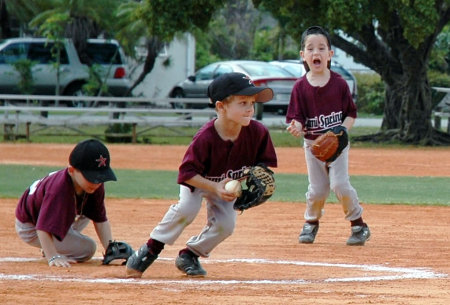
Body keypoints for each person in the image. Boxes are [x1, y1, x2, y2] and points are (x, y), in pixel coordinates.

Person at [126, 72, 278, 278]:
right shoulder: (205, 138)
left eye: (252, 102)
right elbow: (186, 174)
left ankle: (190, 254)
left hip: (227, 186)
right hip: (198, 181)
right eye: (242, 102)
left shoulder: (258, 132)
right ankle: (151, 249)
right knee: (187, 208)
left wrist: (248, 183)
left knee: (227, 226)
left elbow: (264, 166)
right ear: (220, 107)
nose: (250, 108)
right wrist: (214, 187)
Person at [286, 26, 370, 246]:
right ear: (303, 56)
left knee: (340, 184)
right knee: (317, 190)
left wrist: (342, 130)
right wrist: (296, 126)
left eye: (322, 48)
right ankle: (311, 222)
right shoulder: (300, 88)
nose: (317, 52)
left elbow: (351, 114)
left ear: (330, 54)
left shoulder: (339, 84)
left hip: (338, 145)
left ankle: (358, 224)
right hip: (312, 146)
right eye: (310, 48)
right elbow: (297, 118)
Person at [15, 139, 119, 267]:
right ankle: (52, 246)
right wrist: (53, 256)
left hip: (56, 217)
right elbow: (42, 227)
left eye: (101, 176)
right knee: (88, 249)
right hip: (31, 226)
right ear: (71, 170)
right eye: (91, 177)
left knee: (89, 209)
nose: (96, 182)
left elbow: (100, 219)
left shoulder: (94, 185)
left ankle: (60, 244)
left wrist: (111, 251)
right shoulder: (59, 190)